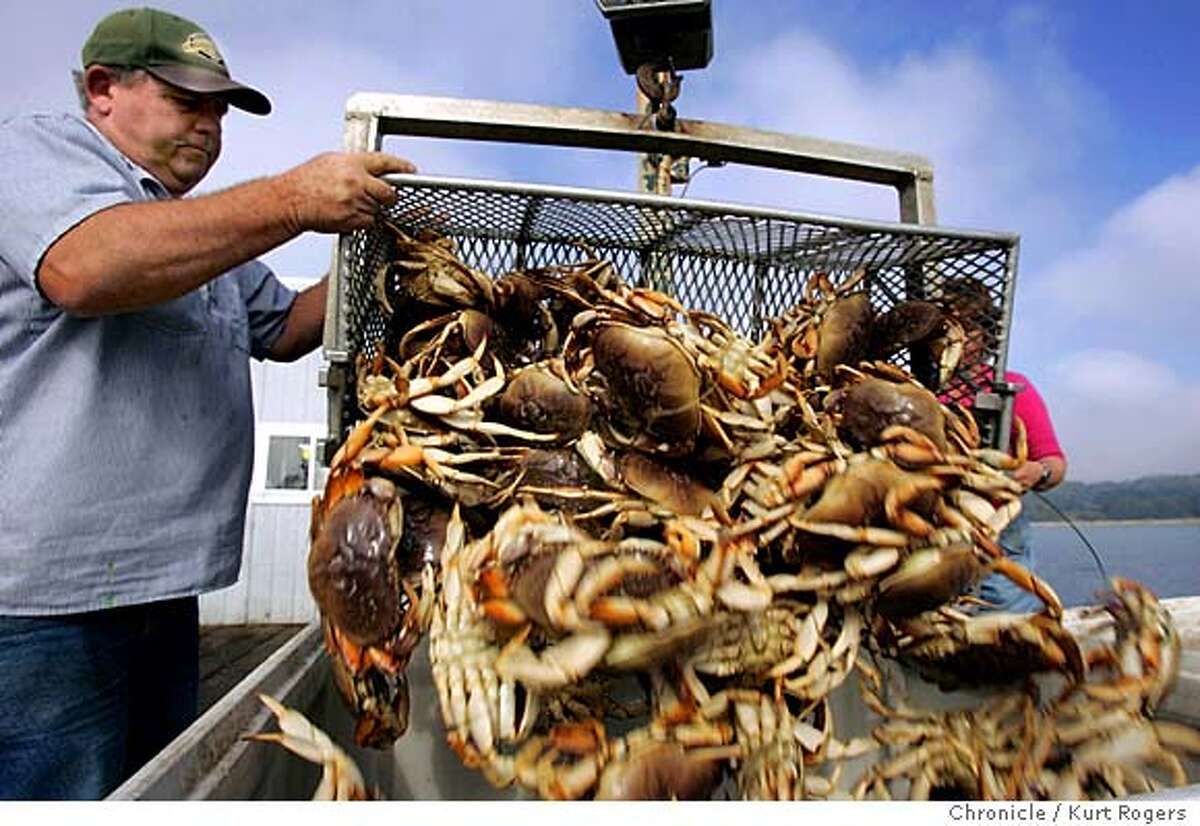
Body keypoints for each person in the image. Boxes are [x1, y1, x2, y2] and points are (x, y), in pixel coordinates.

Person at [0, 8, 416, 799]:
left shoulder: (194, 237)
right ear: (102, 90)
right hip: (41, 609)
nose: (211, 124)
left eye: (221, 110)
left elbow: (289, 327)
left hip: (164, 591)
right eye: (189, 100)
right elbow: (84, 268)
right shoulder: (32, 153)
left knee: (153, 792)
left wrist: (389, 268)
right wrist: (293, 198)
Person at [941, 281, 1068, 614]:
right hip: (930, 531)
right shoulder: (914, 391)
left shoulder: (1013, 389)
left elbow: (1054, 463)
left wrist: (1037, 471)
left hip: (999, 532)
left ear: (986, 335)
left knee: (1007, 627)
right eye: (945, 329)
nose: (955, 340)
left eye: (968, 329)